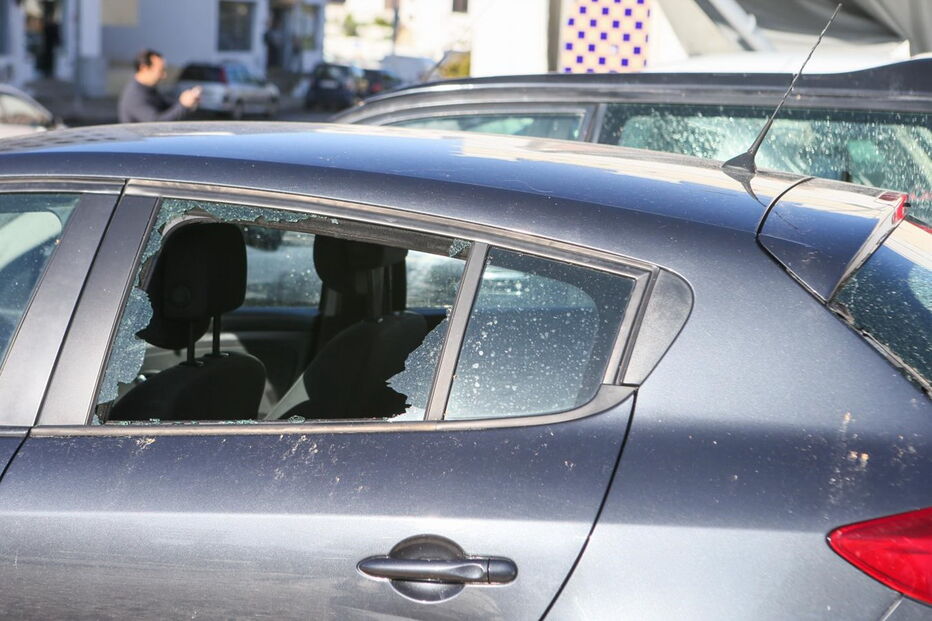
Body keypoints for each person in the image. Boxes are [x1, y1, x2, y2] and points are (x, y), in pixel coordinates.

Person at [118, 49, 201, 123]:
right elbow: (156, 122)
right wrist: (183, 105)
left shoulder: (148, 89)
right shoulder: (134, 95)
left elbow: (167, 107)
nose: (164, 75)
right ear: (144, 68)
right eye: (161, 71)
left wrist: (188, 102)